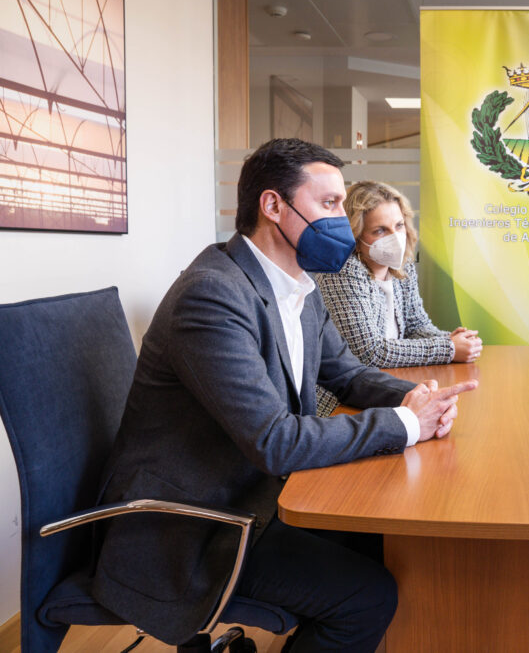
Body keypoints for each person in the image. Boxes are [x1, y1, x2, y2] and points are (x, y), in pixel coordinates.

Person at [91, 138, 477, 652]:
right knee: (367, 595)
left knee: (383, 541)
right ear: (273, 206)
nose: (343, 220)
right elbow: (274, 439)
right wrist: (407, 425)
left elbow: (350, 375)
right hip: (191, 530)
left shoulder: (296, 286)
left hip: (258, 497)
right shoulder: (212, 295)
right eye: (330, 204)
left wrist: (423, 399)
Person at [314, 181, 482, 416]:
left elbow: (416, 325)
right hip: (342, 403)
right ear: (355, 235)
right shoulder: (343, 271)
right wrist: (448, 348)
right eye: (380, 230)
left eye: (399, 225)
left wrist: (454, 339)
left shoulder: (403, 264)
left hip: (389, 384)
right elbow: (369, 352)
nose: (395, 237)